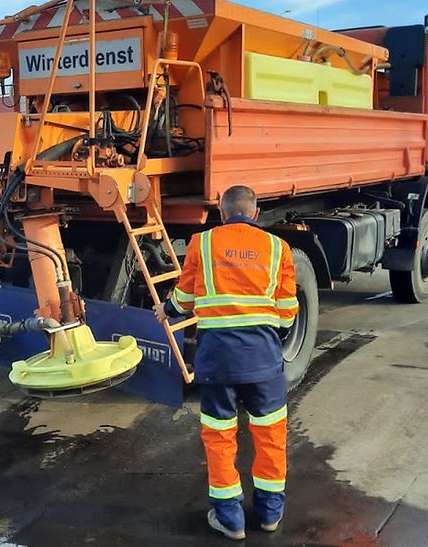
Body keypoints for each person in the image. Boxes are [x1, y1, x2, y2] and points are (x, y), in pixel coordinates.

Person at [153, 185, 298, 539]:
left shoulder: (202, 244)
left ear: (221, 212)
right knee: (270, 435)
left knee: (219, 436)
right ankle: (269, 515)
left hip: (217, 361)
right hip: (263, 362)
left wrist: (165, 310)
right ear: (255, 212)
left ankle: (230, 519)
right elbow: (288, 313)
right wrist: (268, 337)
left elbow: (185, 297)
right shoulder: (279, 248)